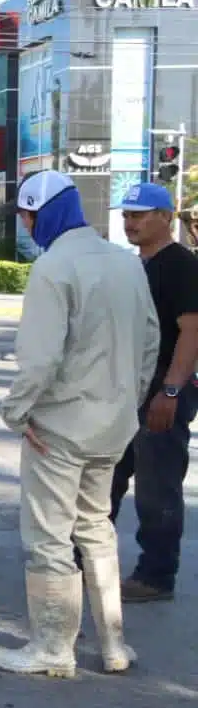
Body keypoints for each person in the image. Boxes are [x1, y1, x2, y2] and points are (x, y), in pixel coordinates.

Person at [0, 170, 159, 679]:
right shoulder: (126, 264)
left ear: (39, 214)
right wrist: (129, 402)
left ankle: (52, 648)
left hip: (59, 428)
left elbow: (39, 361)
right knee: (97, 529)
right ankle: (113, 645)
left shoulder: (52, 268)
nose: (24, 225)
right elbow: (150, 342)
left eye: (25, 216)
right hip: (113, 426)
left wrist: (16, 413)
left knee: (49, 537)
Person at [108, 182, 198, 602]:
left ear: (165, 216)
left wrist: (172, 391)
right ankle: (83, 559)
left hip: (163, 390)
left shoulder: (180, 264)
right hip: (127, 389)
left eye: (140, 214)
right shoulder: (133, 266)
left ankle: (156, 576)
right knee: (106, 474)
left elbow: (192, 331)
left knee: (156, 485)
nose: (131, 222)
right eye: (126, 214)